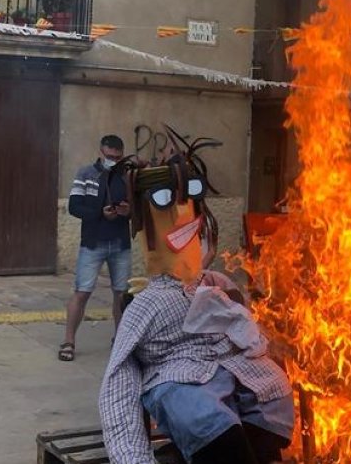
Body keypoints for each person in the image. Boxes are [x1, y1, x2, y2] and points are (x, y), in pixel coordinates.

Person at [100, 129, 294, 464]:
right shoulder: (145, 305)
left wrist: (249, 333)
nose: (179, 215)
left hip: (229, 367)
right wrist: (132, 456)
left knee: (273, 393)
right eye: (164, 202)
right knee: (205, 418)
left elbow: (241, 324)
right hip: (177, 377)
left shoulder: (214, 281)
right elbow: (118, 378)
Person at [61, 134, 132, 363]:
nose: (113, 160)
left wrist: (127, 211)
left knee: (121, 295)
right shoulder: (86, 173)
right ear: (101, 152)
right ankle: (69, 341)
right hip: (93, 243)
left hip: (120, 243)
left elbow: (137, 210)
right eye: (110, 156)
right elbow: (74, 206)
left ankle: (120, 341)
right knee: (82, 292)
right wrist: (99, 214)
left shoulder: (127, 176)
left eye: (117, 157)